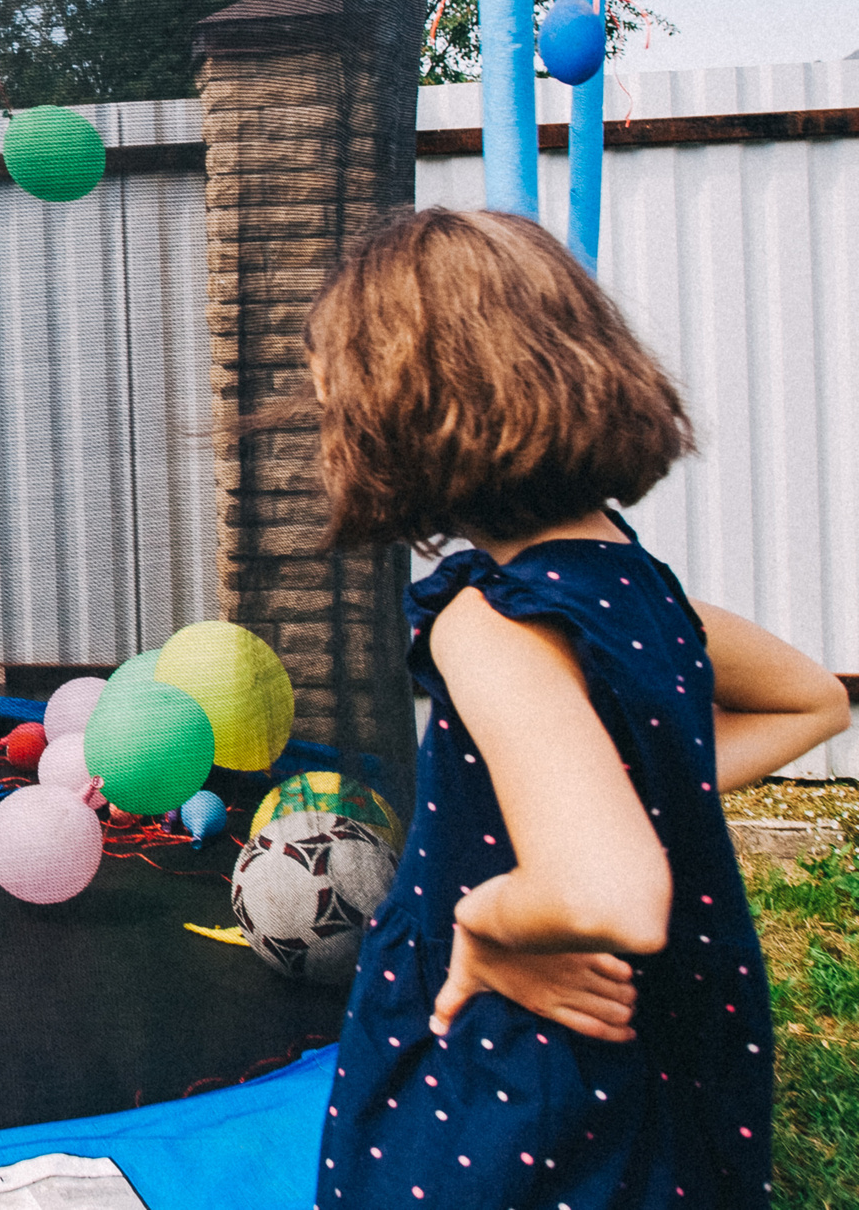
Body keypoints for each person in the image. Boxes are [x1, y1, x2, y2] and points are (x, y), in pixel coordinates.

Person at [305, 208, 846, 1208]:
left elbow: (606, 889)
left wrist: (486, 921)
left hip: (519, 1064)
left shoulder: (489, 616)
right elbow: (810, 703)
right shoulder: (637, 587)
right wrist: (647, 793)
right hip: (663, 1044)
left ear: (392, 416)